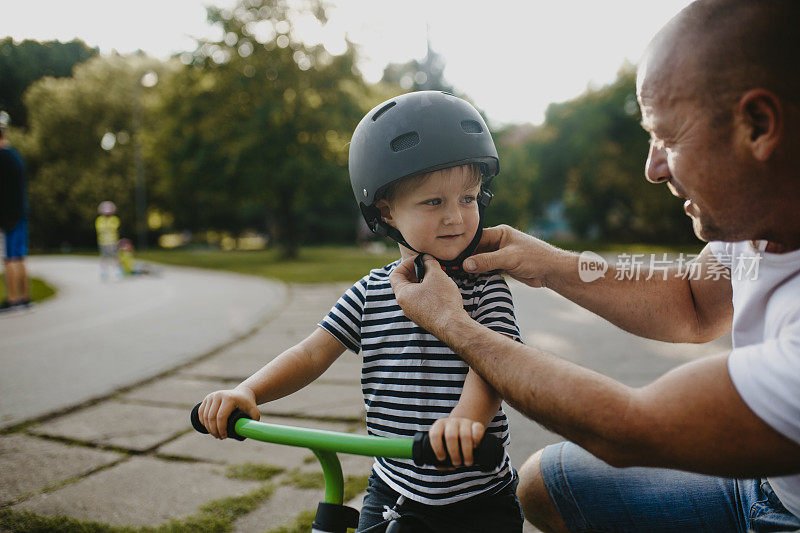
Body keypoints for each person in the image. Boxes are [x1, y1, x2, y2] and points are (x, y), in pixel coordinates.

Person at [389, 1, 800, 532]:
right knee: (546, 484)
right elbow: (693, 303)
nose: (652, 168)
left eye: (668, 138)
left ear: (760, 125)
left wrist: (452, 324)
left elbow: (628, 429)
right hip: (762, 480)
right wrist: (553, 265)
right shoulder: (761, 223)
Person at [199, 91, 525, 532]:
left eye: (467, 198)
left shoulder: (483, 283)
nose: (457, 218)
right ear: (386, 211)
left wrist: (466, 421)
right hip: (393, 490)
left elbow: (496, 361)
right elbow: (312, 353)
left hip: (477, 499)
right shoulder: (372, 291)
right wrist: (249, 392)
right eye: (434, 202)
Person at [0, 110, 31, 312]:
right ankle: (24, 297)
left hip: (9, 216)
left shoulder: (2, 158)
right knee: (19, 257)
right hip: (20, 213)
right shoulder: (15, 156)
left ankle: (12, 299)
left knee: (10, 258)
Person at [95, 201, 120, 280]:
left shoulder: (115, 219)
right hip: (103, 242)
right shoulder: (99, 220)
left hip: (113, 241)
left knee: (115, 257)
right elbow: (100, 229)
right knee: (104, 257)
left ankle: (117, 271)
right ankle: (104, 272)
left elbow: (114, 228)